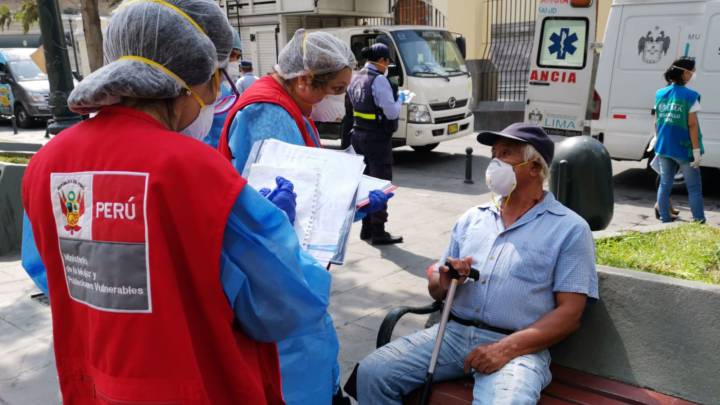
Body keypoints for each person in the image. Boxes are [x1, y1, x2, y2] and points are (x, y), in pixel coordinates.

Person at [20, 1, 329, 403]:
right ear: (184, 84)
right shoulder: (192, 169)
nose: (215, 94)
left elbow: (48, 270)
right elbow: (284, 306)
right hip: (195, 385)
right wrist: (277, 238)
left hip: (98, 382)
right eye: (213, 81)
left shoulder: (47, 163)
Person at [356, 123, 599, 404]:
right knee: (372, 373)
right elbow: (437, 285)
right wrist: (443, 280)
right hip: (452, 333)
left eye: (506, 154)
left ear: (534, 167)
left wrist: (504, 349)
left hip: (518, 346)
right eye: (494, 154)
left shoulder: (569, 229)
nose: (495, 162)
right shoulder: (473, 218)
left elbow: (570, 314)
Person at [217, 28, 386, 405]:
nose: (337, 101)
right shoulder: (268, 111)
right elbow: (284, 209)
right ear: (306, 79)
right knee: (296, 370)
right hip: (278, 277)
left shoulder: (290, 105)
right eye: (336, 90)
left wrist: (350, 203)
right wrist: (345, 206)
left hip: (288, 270)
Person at [348, 43, 404, 245]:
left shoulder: (356, 77)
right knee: (380, 183)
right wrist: (402, 100)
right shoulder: (379, 80)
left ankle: (366, 228)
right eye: (387, 61)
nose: (387, 65)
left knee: (364, 182)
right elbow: (392, 112)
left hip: (358, 135)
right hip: (377, 139)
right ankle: (378, 232)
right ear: (381, 61)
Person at [654, 57, 706, 223]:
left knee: (665, 184)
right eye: (692, 71)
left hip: (664, 147)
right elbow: (692, 125)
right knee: (694, 187)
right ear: (685, 73)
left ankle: (665, 219)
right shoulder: (691, 96)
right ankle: (699, 221)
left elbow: (657, 121)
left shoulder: (660, 93)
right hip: (684, 149)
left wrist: (657, 139)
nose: (693, 75)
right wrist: (696, 150)